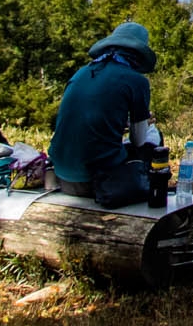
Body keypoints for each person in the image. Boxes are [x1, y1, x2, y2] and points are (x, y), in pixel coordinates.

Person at [48, 22, 161, 208]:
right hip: (98, 183)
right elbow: (139, 140)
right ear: (139, 54)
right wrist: (145, 122)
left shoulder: (81, 73)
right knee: (154, 137)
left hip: (61, 175)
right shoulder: (137, 81)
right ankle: (151, 189)